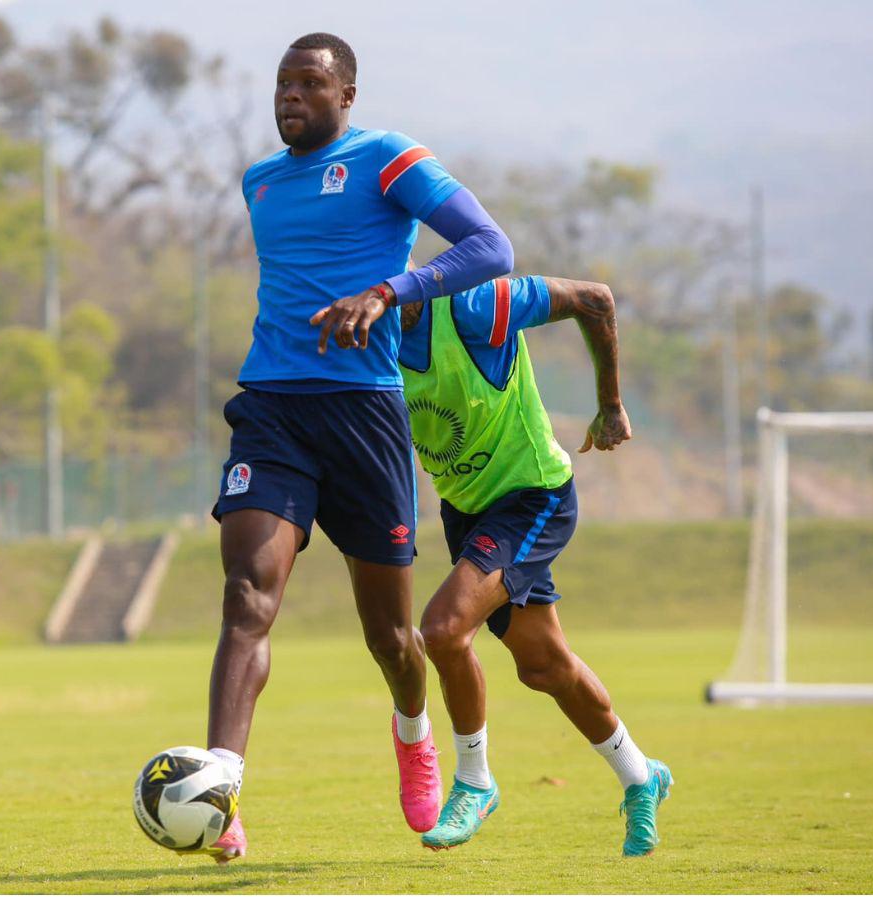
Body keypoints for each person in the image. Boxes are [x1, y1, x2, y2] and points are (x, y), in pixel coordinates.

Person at [203, 32, 514, 863]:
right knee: (248, 594)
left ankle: (413, 734)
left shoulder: (388, 158)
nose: (291, 96)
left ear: (347, 96)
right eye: (282, 83)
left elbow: (491, 248)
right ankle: (219, 789)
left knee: (392, 639)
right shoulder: (259, 182)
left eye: (310, 83)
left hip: (366, 417)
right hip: (272, 411)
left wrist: (388, 292)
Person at [397, 275, 672, 856]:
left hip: (532, 498)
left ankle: (475, 781)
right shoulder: (368, 343)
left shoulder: (474, 309)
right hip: (466, 511)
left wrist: (610, 406)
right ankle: (640, 774)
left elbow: (596, 299)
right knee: (543, 666)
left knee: (444, 630)